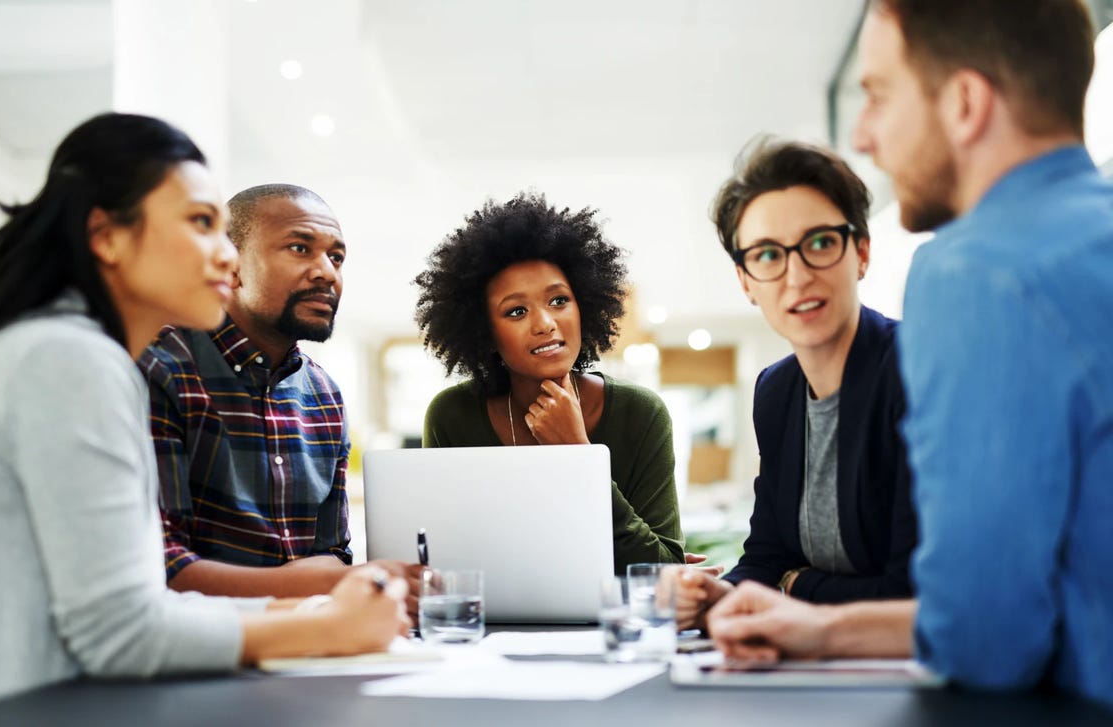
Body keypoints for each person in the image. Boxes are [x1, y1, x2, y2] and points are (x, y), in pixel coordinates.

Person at [0, 113, 408, 722]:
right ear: (107, 237)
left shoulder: (70, 351)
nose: (226, 255)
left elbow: (128, 610)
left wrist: (307, 612)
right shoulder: (68, 359)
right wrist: (324, 628)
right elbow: (123, 631)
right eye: (202, 224)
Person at [708, 0, 1113, 708]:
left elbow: (987, 638)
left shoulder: (977, 271)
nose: (864, 134)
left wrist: (811, 617)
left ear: (964, 103)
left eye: (878, 96)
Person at [138, 184, 422, 616]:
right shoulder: (162, 369)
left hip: (306, 646)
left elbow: (332, 554)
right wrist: (323, 583)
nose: (326, 271)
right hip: (198, 652)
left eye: (336, 257)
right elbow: (159, 568)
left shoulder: (324, 396)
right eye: (299, 248)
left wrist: (341, 581)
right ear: (230, 266)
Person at [670, 140, 916, 629]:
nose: (797, 276)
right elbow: (767, 553)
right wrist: (718, 594)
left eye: (820, 243)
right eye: (767, 255)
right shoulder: (776, 391)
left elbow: (909, 588)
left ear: (860, 252)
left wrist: (795, 585)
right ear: (746, 281)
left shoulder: (915, 368)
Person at [413, 192, 684, 574]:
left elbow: (662, 570)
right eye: (517, 311)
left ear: (584, 306)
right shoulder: (452, 416)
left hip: (611, 626)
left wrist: (579, 454)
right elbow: (442, 563)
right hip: (491, 627)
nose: (544, 323)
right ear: (486, 333)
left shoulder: (640, 413)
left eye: (558, 300)